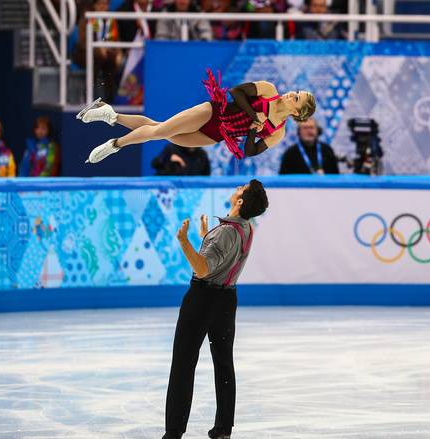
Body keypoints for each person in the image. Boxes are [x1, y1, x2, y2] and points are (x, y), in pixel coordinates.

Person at [163, 180, 269, 439]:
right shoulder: (246, 228)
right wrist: (205, 237)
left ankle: (174, 432)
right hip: (227, 302)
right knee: (223, 363)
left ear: (240, 201)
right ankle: (223, 428)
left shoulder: (225, 232)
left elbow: (203, 268)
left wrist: (184, 242)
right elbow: (225, 256)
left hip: (202, 300)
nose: (237, 188)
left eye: (241, 188)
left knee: (183, 364)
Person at [77, 70, 316, 163]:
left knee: (158, 130)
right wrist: (254, 115)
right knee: (160, 132)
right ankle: (114, 145)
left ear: (296, 112)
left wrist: (254, 128)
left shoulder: (278, 132)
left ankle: (111, 115)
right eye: (295, 92)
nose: (290, 94)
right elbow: (236, 92)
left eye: (296, 98)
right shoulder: (269, 90)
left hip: (215, 136)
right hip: (212, 112)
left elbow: (249, 152)